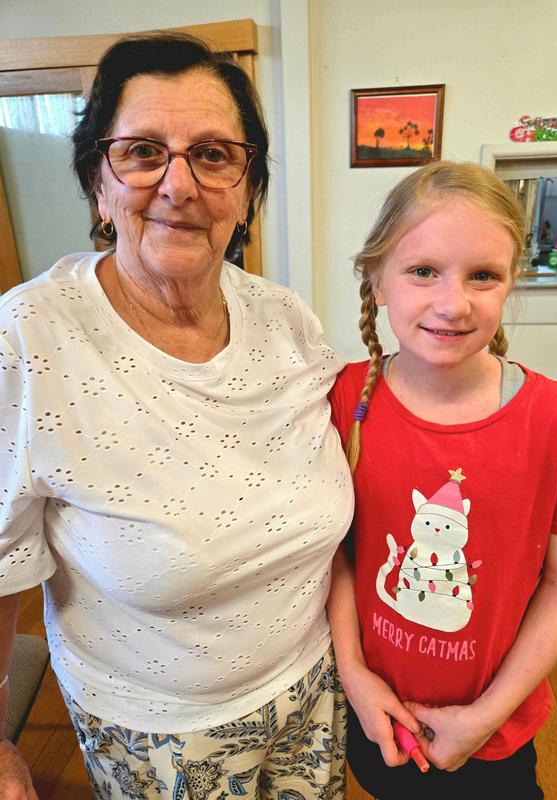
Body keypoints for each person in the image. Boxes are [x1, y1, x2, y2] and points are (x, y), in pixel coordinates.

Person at [0, 34, 354, 800]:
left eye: (214, 155)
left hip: (312, 689)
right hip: (157, 733)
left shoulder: (286, 318)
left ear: (247, 187)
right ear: (98, 183)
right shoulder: (27, 339)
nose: (179, 184)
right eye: (142, 152)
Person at [327, 161, 557, 798]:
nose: (453, 304)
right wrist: (356, 675)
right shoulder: (344, 400)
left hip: (496, 731)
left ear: (511, 282)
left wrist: (486, 717)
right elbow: (336, 555)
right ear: (378, 280)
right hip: (374, 713)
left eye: (483, 275)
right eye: (423, 271)